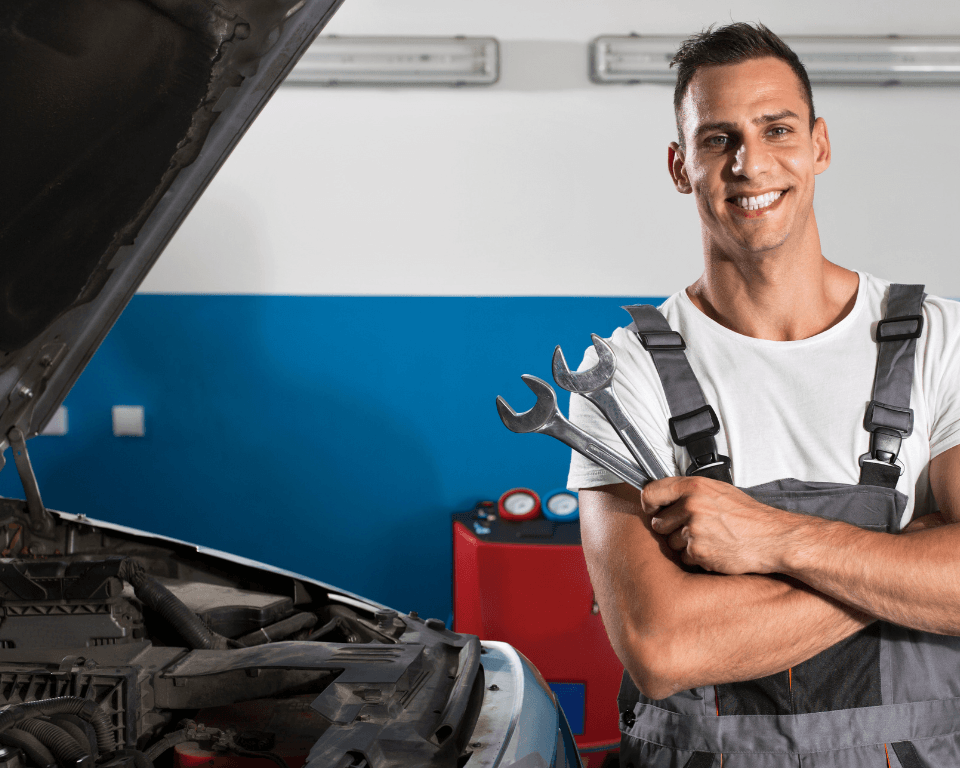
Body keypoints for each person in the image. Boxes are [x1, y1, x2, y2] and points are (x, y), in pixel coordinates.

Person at [566, 22, 960, 768]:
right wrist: (908, 561)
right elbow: (664, 646)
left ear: (819, 145)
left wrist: (772, 541)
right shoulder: (622, 379)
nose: (750, 164)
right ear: (682, 167)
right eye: (719, 140)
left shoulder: (943, 341)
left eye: (776, 129)